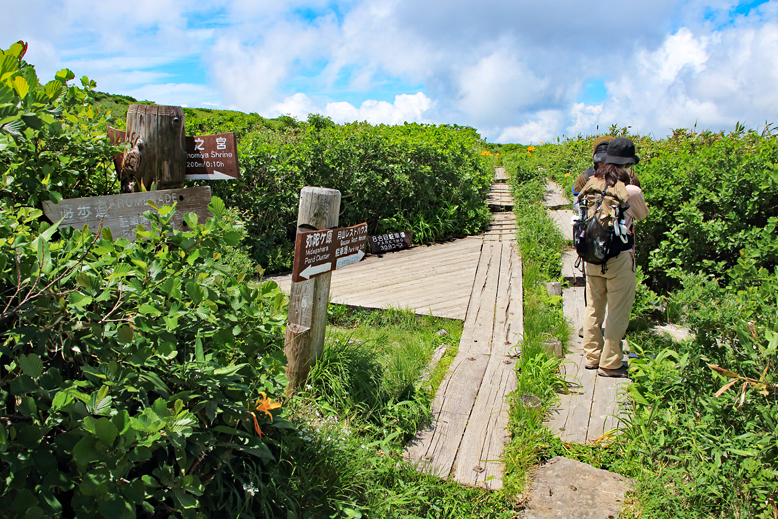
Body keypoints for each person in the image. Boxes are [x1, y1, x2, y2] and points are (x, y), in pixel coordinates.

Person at [577, 137, 649, 378]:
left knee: (594, 308)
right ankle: (610, 363)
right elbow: (642, 215)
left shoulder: (592, 184)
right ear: (628, 164)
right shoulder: (631, 190)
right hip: (619, 258)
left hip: (592, 255)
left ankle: (591, 357)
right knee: (617, 311)